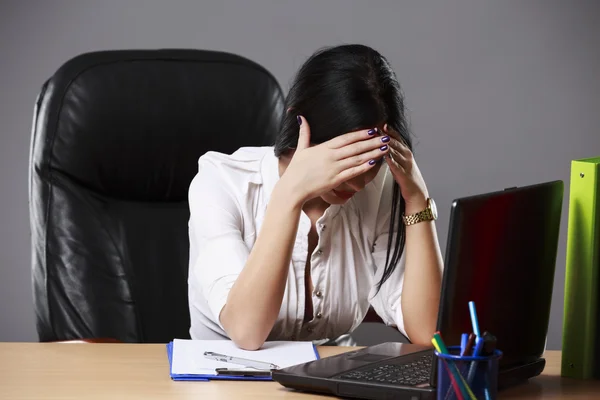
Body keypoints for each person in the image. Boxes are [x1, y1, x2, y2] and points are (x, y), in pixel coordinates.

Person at [187, 44, 443, 350]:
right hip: (227, 384)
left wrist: (417, 199)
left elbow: (429, 331)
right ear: (299, 125)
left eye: (371, 159)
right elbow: (246, 331)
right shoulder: (220, 181)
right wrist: (289, 195)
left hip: (330, 380)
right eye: (346, 157)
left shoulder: (383, 190)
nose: (360, 179)